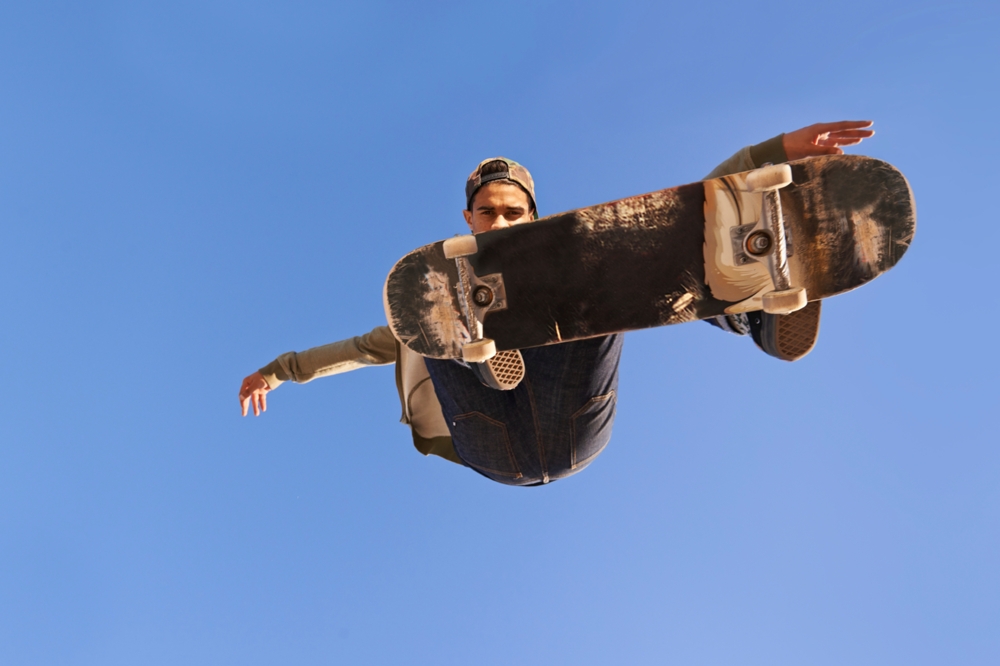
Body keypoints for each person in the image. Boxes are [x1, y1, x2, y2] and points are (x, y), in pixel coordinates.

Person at [239, 120, 875, 485]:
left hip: (575, 423)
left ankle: (756, 312)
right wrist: (277, 370)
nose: (499, 219)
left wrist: (759, 159)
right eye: (487, 212)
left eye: (513, 212)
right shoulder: (436, 297)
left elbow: (665, 237)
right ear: (468, 216)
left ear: (530, 215)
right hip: (488, 441)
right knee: (434, 311)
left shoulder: (564, 260)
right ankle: (483, 347)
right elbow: (355, 350)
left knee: (601, 262)